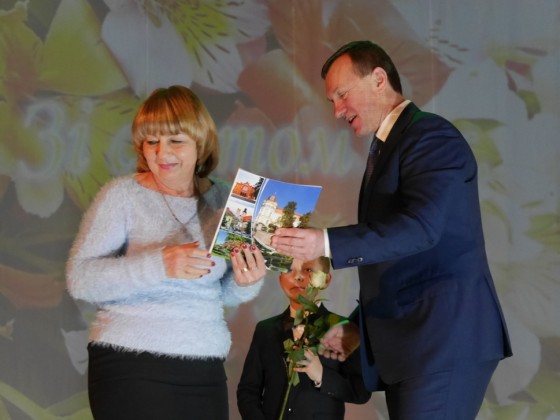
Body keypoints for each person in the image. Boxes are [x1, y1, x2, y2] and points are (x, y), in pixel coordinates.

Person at [270, 41, 512, 419]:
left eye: (342, 95)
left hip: (442, 342)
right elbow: (400, 260)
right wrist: (358, 328)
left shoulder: (430, 136)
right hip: (417, 347)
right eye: (332, 101)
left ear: (379, 79)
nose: (337, 111)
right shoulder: (391, 145)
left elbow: (421, 229)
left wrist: (325, 241)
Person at [66, 85, 267, 420]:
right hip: (131, 364)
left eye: (175, 140)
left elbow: (227, 293)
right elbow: (81, 279)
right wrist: (160, 264)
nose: (162, 153)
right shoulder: (122, 195)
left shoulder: (228, 200)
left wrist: (248, 280)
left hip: (204, 366)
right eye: (151, 142)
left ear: (200, 142)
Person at [237, 257, 370, 420]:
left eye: (308, 270)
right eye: (289, 270)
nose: (298, 277)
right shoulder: (265, 329)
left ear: (326, 279)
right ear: (280, 278)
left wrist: (321, 375)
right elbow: (248, 390)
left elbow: (360, 392)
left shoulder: (345, 328)